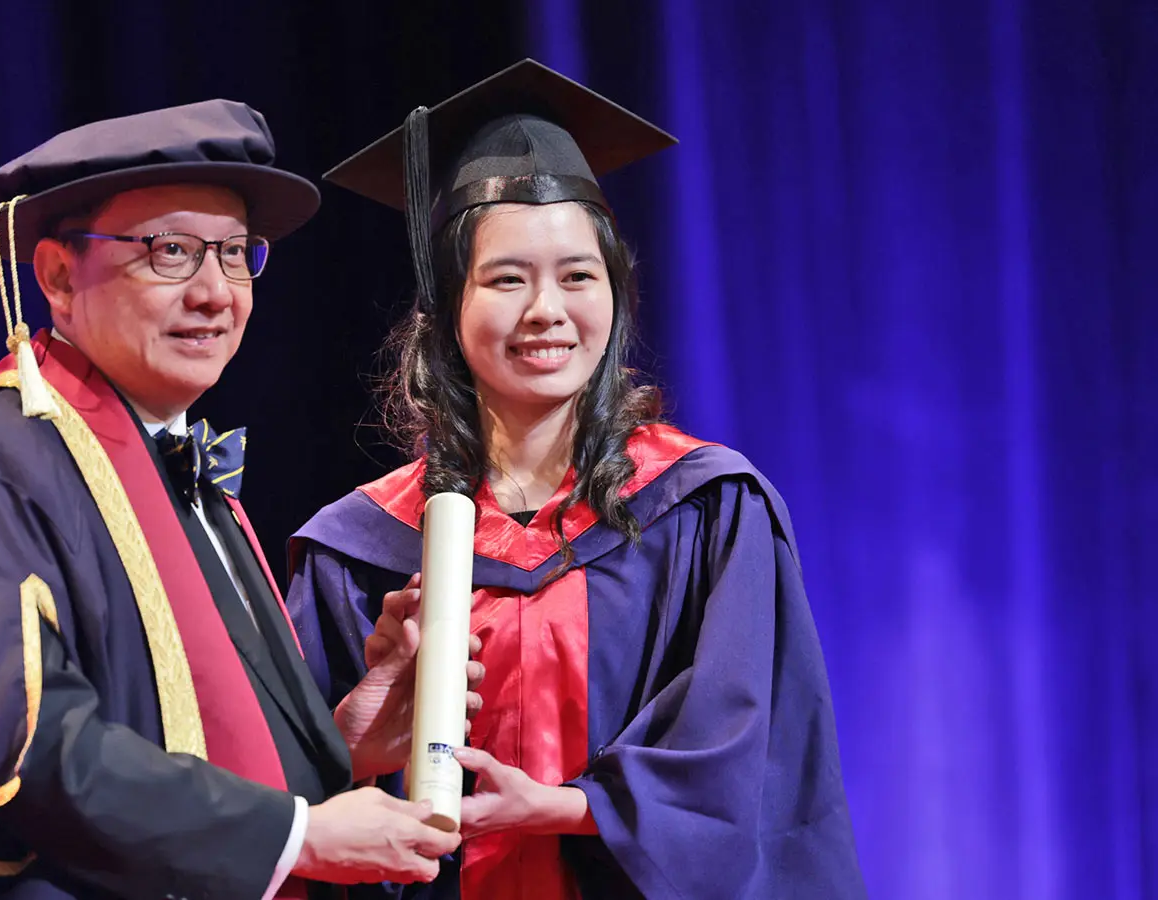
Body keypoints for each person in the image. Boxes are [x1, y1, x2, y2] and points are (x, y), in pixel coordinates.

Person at [0, 99, 477, 900]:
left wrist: (347, 740)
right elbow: (15, 753)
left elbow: (193, 745)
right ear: (55, 274)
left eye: (233, 253)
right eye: (171, 252)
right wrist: (297, 835)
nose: (216, 293)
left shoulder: (189, 478)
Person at [286, 60, 866, 898]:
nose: (546, 310)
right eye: (506, 278)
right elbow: (281, 797)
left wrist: (565, 807)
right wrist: (351, 743)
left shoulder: (703, 510)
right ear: (449, 307)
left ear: (617, 295)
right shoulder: (362, 548)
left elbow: (751, 755)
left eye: (577, 275)